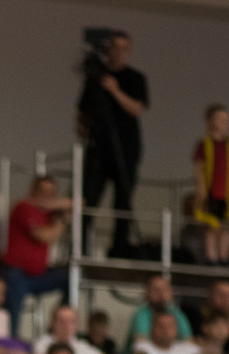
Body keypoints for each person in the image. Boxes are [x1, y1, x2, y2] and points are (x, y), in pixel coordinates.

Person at [78, 30, 149, 258]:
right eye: (114, 47)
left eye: (122, 48)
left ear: (128, 51)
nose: (118, 52)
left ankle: (119, 249)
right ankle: (81, 247)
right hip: (98, 149)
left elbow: (137, 109)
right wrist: (84, 126)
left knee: (122, 201)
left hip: (126, 149)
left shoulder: (135, 78)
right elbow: (82, 113)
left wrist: (115, 90)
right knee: (88, 199)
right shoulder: (95, 78)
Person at [0, 175, 73, 337]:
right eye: (42, 191)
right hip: (16, 272)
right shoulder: (23, 207)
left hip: (38, 275)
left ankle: (57, 327)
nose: (46, 196)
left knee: (71, 276)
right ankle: (11, 341)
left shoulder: (50, 215)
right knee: (13, 312)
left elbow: (81, 202)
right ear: (33, 191)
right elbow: (42, 236)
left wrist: (59, 209)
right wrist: (62, 222)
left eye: (51, 192)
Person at [191, 104, 229, 264]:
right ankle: (211, 258)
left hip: (227, 194)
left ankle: (223, 257)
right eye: (220, 119)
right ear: (211, 121)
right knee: (211, 227)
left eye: (226, 119)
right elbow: (199, 169)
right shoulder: (204, 144)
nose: (224, 123)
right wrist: (201, 191)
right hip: (211, 193)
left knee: (225, 227)